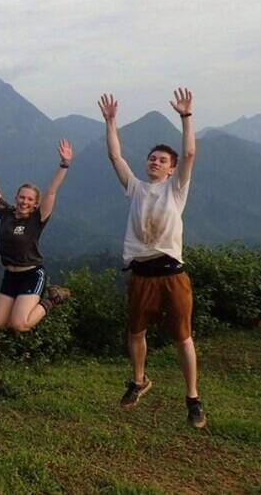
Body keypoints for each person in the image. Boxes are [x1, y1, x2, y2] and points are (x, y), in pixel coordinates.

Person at [99, 88, 205, 429]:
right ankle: (139, 381)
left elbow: (189, 152)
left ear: (172, 170)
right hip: (141, 274)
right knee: (136, 333)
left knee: (183, 337)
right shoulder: (136, 188)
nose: (154, 162)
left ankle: (193, 398)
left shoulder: (176, 189)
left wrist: (186, 117)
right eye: (152, 158)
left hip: (173, 274)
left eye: (161, 160)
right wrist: (111, 122)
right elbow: (116, 158)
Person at [0, 138, 73, 332]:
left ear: (36, 203)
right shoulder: (6, 212)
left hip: (32, 274)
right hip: (10, 276)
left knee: (19, 324)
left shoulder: (37, 219)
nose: (24, 202)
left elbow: (51, 191)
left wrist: (64, 164)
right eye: (22, 197)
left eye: (30, 199)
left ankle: (53, 299)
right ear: (16, 197)